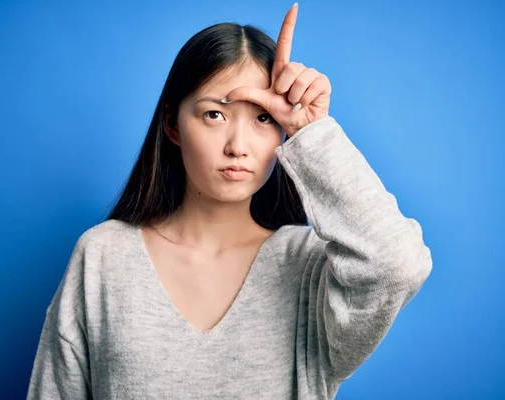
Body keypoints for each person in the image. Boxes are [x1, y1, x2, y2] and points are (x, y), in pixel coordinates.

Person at [27, 3, 433, 399]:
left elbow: (397, 264)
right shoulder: (103, 256)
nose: (238, 146)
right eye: (215, 115)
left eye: (263, 118)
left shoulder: (310, 268)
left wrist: (313, 130)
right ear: (172, 124)